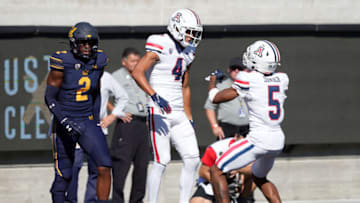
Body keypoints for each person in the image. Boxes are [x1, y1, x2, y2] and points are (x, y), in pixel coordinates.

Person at [131, 8, 203, 203]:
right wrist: (154, 97)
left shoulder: (189, 52)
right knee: (162, 161)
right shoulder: (160, 42)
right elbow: (137, 72)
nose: (192, 37)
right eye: (189, 31)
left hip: (179, 112)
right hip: (159, 111)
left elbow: (185, 85)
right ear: (177, 27)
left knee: (193, 159)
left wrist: (189, 115)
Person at [207, 40, 289, 203]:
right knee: (259, 177)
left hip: (259, 139)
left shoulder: (248, 79)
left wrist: (212, 82)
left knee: (217, 170)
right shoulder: (282, 79)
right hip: (277, 139)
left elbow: (216, 98)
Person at [45, 22, 112, 203]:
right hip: (65, 120)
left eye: (90, 43)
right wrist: (64, 120)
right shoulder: (62, 61)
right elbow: (49, 98)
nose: (87, 47)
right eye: (83, 43)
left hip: (86, 120)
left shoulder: (99, 60)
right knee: (64, 175)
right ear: (74, 43)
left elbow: (96, 91)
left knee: (105, 166)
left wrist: (96, 119)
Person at [65, 71, 129, 203]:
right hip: (76, 129)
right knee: (73, 167)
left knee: (98, 169)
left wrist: (112, 116)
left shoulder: (105, 76)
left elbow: (123, 96)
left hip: (97, 129)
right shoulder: (71, 73)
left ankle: (92, 201)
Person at [110, 47, 149, 203]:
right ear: (124, 61)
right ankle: (117, 200)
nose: (135, 64)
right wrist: (116, 112)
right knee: (121, 167)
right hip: (127, 125)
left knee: (142, 167)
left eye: (137, 61)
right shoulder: (116, 77)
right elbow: (103, 96)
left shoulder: (142, 76)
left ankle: (137, 200)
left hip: (142, 124)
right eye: (132, 61)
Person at [190, 136, 255, 203]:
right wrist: (219, 184)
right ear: (236, 137)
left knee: (254, 176)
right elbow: (203, 172)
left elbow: (255, 172)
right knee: (197, 201)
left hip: (237, 183)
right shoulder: (216, 148)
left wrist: (240, 170)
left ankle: (242, 200)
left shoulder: (254, 148)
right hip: (211, 182)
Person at [204, 57, 249, 140]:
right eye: (233, 68)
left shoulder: (252, 84)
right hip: (227, 128)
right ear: (229, 70)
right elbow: (209, 107)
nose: (236, 71)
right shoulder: (222, 85)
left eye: (240, 68)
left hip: (248, 128)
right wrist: (215, 126)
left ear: (246, 70)